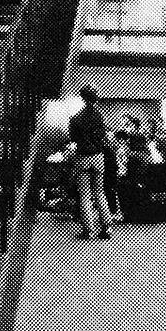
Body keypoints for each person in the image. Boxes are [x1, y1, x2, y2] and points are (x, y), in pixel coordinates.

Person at [68, 86, 113, 239]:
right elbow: (102, 137)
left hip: (83, 158)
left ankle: (88, 230)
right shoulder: (100, 117)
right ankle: (106, 228)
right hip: (98, 157)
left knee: (85, 195)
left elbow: (73, 138)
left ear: (83, 98)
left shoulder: (75, 118)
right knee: (100, 192)